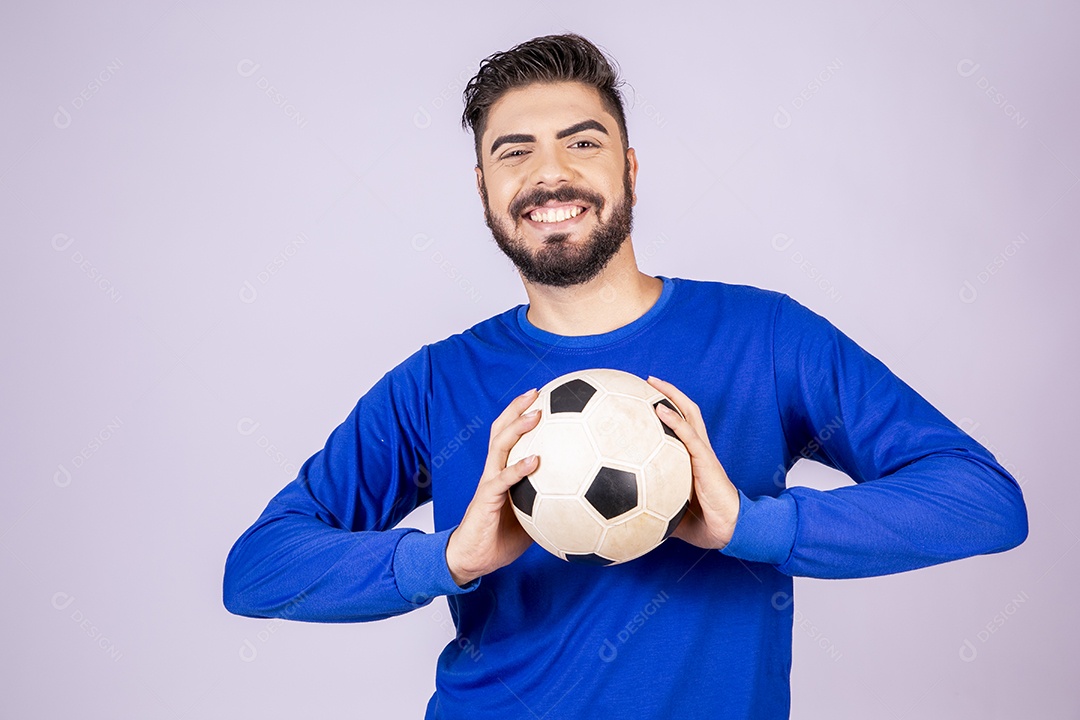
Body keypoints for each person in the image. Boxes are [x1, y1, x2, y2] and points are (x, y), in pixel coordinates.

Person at [222, 33, 1028, 719]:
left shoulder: (765, 337)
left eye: (582, 142)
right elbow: (259, 570)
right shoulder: (438, 382)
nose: (551, 175)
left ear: (630, 168)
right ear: (485, 189)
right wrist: (450, 558)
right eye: (515, 152)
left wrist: (750, 527)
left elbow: (982, 501)